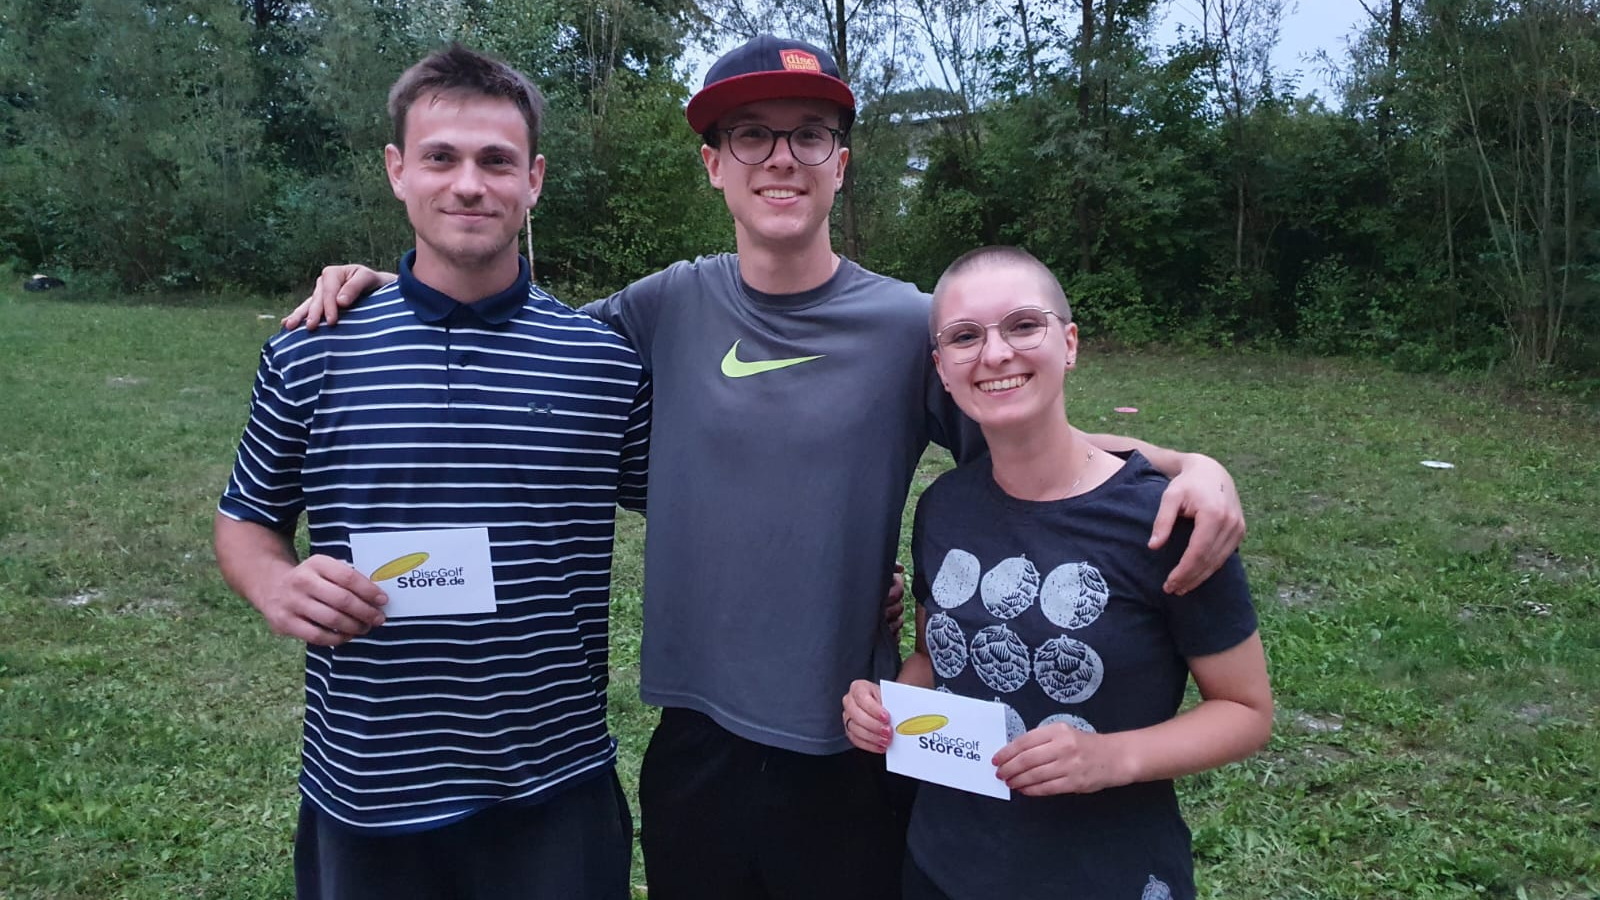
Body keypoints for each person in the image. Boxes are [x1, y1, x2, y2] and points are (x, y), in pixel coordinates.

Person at [284, 35, 1248, 900]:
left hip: (851, 739)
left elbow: (1034, 441)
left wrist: (1184, 463)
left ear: (842, 164)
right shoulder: (664, 305)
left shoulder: (910, 325)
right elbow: (525, 343)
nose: (781, 157)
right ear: (713, 164)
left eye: (809, 135)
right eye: (751, 135)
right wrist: (385, 289)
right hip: (695, 739)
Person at [214, 45, 648, 900]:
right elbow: (246, 520)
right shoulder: (311, 352)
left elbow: (701, 509)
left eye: (498, 161)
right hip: (367, 791)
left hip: (554, 790)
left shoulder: (601, 363)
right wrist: (275, 585)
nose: (469, 185)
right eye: (441, 157)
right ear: (397, 170)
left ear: (534, 181)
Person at [843, 246, 1273, 900]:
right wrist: (888, 709)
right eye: (965, 337)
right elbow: (933, 657)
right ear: (942, 369)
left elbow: (1245, 711)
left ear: (1068, 343)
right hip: (942, 866)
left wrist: (1111, 758)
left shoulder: (1164, 519)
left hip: (1104, 874)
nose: (995, 354)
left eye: (1023, 325)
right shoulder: (944, 507)